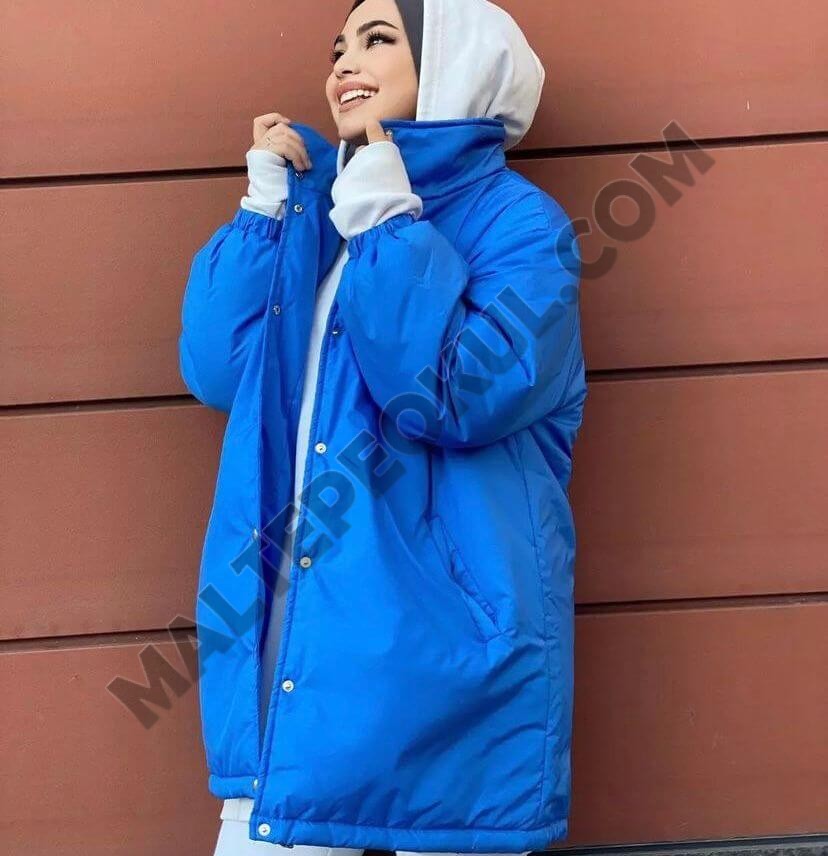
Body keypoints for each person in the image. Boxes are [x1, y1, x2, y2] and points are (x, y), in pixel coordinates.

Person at [178, 0, 587, 853]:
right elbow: (219, 373)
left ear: (455, 65)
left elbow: (453, 394)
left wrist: (386, 218)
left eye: (377, 40)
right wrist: (264, 211)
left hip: (451, 655)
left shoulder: (522, 228)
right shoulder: (321, 217)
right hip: (300, 638)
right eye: (338, 48)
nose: (343, 65)